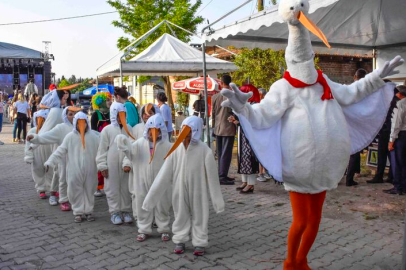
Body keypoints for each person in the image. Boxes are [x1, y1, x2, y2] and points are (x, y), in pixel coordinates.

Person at [221, 0, 403, 268]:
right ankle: (289, 262)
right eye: (299, 59)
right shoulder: (283, 87)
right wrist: (243, 107)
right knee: (301, 220)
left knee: (316, 219)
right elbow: (263, 115)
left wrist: (375, 79)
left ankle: (301, 260)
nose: (305, 64)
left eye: (308, 59)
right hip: (299, 166)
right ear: (291, 60)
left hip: (326, 166)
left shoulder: (323, 81)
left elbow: (352, 94)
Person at [143, 116, 224, 256]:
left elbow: (212, 178)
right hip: (179, 189)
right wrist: (150, 200)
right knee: (180, 214)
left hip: (199, 190)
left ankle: (199, 242)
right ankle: (180, 239)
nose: (186, 135)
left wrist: (218, 203)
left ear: (196, 131)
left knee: (200, 215)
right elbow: (164, 175)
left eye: (190, 131)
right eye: (184, 131)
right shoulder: (176, 150)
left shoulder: (205, 151)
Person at [117, 114, 172, 242]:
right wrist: (124, 146)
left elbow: (174, 161)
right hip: (141, 180)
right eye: (151, 130)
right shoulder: (139, 144)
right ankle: (143, 229)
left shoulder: (167, 146)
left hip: (161, 181)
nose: (154, 134)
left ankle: (163, 228)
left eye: (157, 131)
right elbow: (130, 155)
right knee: (142, 204)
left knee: (162, 204)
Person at [45, 112, 100, 223]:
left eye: (83, 123)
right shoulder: (70, 137)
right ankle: (78, 211)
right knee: (75, 190)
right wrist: (50, 162)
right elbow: (60, 151)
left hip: (90, 170)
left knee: (89, 190)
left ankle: (88, 211)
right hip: (74, 170)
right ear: (75, 124)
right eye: (79, 123)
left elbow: (101, 151)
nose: (81, 125)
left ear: (87, 123)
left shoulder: (94, 137)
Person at [27, 106, 82, 211]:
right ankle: (62, 199)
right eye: (70, 114)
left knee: (72, 178)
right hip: (62, 158)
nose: (73, 117)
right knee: (61, 177)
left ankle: (70, 196)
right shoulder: (60, 127)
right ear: (65, 116)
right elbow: (47, 136)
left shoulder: (80, 127)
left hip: (76, 157)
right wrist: (36, 138)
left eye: (75, 114)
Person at [96, 101, 135, 225]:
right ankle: (115, 212)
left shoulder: (129, 129)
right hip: (111, 163)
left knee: (126, 188)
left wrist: (128, 162)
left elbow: (132, 146)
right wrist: (102, 165)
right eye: (118, 115)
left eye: (123, 115)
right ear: (114, 115)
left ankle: (126, 211)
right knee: (111, 188)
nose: (120, 118)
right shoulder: (107, 130)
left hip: (126, 165)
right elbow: (102, 150)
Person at [37, 88, 72, 205]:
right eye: (63, 97)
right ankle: (54, 193)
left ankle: (59, 193)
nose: (65, 99)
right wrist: (35, 141)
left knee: (61, 171)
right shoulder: (55, 111)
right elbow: (46, 130)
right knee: (58, 171)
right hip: (56, 144)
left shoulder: (60, 109)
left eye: (66, 96)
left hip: (64, 144)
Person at [229, 84, 261, 194]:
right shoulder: (245, 105)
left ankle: (251, 184)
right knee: (242, 157)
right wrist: (235, 120)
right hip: (242, 134)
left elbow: (252, 122)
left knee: (249, 157)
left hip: (249, 136)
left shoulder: (254, 106)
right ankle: (245, 181)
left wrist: (238, 122)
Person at [367, 81, 397, 184]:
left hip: (387, 129)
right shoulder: (393, 96)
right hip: (389, 129)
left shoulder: (389, 98)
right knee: (389, 153)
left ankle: (381, 176)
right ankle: (390, 176)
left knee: (383, 153)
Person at [212, 75, 236, 185]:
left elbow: (212, 114)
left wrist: (213, 127)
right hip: (228, 127)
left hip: (218, 127)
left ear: (221, 83)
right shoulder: (232, 96)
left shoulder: (215, 97)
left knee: (220, 152)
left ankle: (221, 174)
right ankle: (222, 176)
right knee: (226, 153)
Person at [345, 69, 367, 187]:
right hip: (356, 124)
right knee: (354, 152)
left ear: (354, 77)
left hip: (346, 123)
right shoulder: (363, 91)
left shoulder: (349, 89)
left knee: (346, 152)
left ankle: (346, 175)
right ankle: (350, 178)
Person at [24, 109, 53, 197]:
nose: (40, 122)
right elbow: (28, 144)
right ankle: (41, 189)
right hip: (37, 154)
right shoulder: (32, 131)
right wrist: (29, 156)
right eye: (38, 119)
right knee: (38, 170)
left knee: (50, 170)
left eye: (43, 119)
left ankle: (52, 188)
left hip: (48, 152)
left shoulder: (50, 131)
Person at [91, 92, 112, 197]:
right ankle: (97, 187)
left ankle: (108, 186)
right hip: (99, 143)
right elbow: (93, 131)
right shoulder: (95, 115)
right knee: (99, 165)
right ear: (101, 102)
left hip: (110, 143)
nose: (110, 101)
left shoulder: (111, 113)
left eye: (110, 99)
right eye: (107, 100)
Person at [385, 85, 406, 195]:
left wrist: (391, 140)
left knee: (396, 162)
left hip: (400, 136)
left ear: (399, 94)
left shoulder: (399, 104)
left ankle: (398, 187)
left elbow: (396, 124)